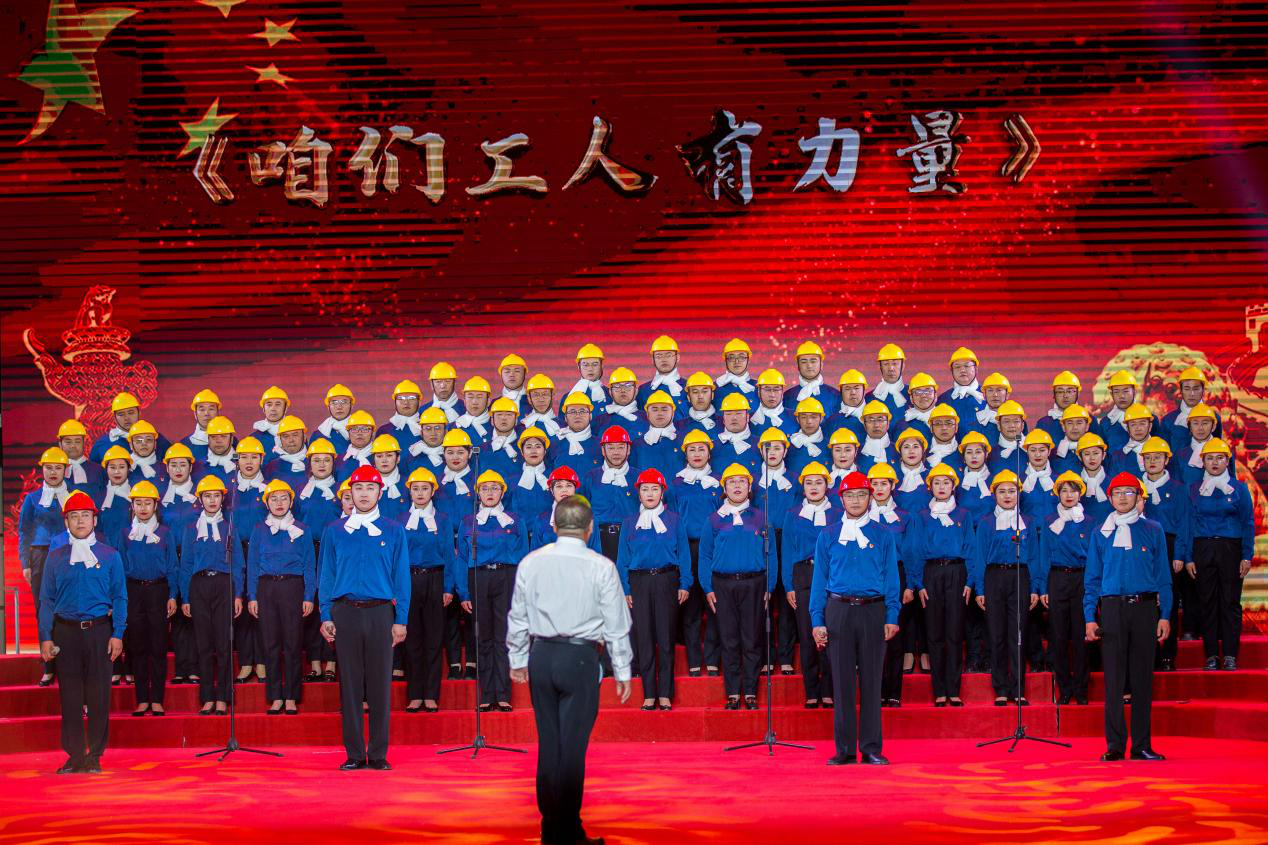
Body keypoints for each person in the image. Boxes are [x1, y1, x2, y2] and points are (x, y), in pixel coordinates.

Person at [507, 494, 633, 845]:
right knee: (572, 747)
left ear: (554, 525)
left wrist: (518, 659)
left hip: (542, 655)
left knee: (550, 744)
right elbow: (616, 623)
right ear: (590, 528)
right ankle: (568, 830)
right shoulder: (601, 566)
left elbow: (518, 616)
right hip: (580, 658)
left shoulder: (532, 562)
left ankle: (552, 829)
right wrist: (622, 668)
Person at [319, 465, 410, 771]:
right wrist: (325, 614)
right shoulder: (334, 531)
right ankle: (355, 753)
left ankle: (379, 753)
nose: (364, 494)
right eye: (358, 488)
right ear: (350, 493)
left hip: (381, 613)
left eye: (371, 488)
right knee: (350, 685)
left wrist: (401, 619)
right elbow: (326, 575)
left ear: (379, 493)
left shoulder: (394, 530)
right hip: (345, 612)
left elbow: (401, 578)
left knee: (381, 684)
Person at [811, 471, 900, 766]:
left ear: (870, 498)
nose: (856, 500)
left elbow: (891, 577)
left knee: (873, 681)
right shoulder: (827, 535)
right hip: (839, 610)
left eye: (862, 494)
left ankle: (871, 747)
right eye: (850, 495)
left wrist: (892, 614)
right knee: (842, 682)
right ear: (841, 500)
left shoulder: (883, 535)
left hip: (873, 610)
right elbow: (819, 580)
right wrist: (817, 620)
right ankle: (845, 748)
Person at [1084, 472, 1171, 761]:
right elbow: (1092, 578)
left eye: (1129, 492)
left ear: (1139, 497)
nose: (1123, 497)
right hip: (1112, 609)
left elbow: (1163, 576)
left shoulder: (1153, 529)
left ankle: (1142, 744)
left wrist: (1165, 615)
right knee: (1114, 679)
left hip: (1145, 608)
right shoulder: (1100, 532)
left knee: (1142, 678)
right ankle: (1115, 745)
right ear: (1110, 499)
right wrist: (1089, 616)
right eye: (1117, 493)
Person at [38, 490, 127, 774]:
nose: (80, 521)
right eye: (74, 516)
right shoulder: (55, 558)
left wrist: (118, 633)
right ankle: (75, 756)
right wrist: (45, 636)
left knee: (99, 695)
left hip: (99, 632)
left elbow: (120, 597)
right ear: (66, 522)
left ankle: (95, 755)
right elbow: (46, 600)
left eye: (85, 516)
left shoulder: (110, 556)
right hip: (65, 633)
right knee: (70, 696)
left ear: (94, 520)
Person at [699, 463, 777, 710]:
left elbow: (772, 555)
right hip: (723, 585)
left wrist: (770, 586)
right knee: (729, 639)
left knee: (751, 639)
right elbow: (705, 556)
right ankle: (733, 692)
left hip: (754, 583)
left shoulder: (762, 518)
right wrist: (708, 588)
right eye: (731, 482)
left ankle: (751, 692)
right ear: (724, 487)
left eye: (741, 481)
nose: (736, 486)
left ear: (749, 486)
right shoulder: (713, 520)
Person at [456, 469, 530, 711]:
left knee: (503, 636)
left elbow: (524, 557)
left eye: (494, 488)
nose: (489, 493)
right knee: (483, 636)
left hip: (506, 577)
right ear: (477, 493)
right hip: (478, 578)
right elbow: (461, 559)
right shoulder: (468, 522)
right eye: (484, 488)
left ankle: (503, 693)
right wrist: (463, 592)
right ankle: (486, 694)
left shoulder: (515, 520)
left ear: (502, 492)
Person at [618, 468, 691, 711]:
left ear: (662, 492)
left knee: (666, 638)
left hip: (666, 580)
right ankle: (649, 693)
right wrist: (626, 588)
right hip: (639, 582)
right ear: (638, 494)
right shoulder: (630, 523)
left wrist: (684, 583)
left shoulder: (675, 520)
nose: (650, 493)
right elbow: (623, 559)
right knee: (644, 638)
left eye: (655, 489)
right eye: (645, 489)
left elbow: (684, 554)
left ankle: (665, 693)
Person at [247, 479, 317, 715]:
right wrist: (252, 596)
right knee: (270, 644)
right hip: (266, 588)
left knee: (292, 644)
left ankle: (291, 696)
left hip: (292, 588)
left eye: (283, 498)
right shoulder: (259, 530)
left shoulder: (302, 529)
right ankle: (275, 695)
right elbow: (253, 564)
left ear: (291, 502)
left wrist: (309, 596)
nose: (279, 503)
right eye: (274, 499)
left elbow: (309, 566)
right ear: (267, 503)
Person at [907, 463, 974, 707]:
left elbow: (971, 548)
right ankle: (939, 690)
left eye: (946, 482)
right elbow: (914, 550)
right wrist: (919, 583)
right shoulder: (922, 517)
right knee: (934, 633)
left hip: (957, 572)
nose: (942, 487)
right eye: (937, 483)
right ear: (930, 487)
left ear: (954, 486)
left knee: (954, 632)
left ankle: (953, 689)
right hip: (931, 573)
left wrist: (970, 581)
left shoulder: (963, 515)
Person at [179, 474, 246, 716]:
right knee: (204, 643)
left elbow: (238, 563)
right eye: (207, 496)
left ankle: (224, 697)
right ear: (200, 499)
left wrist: (238, 594)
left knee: (223, 643)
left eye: (216, 496)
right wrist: (185, 597)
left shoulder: (229, 528)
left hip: (223, 584)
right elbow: (186, 564)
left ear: (222, 499)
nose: (212, 500)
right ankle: (207, 696)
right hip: (199, 586)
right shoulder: (191, 530)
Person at [972, 469, 1039, 706]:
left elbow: (1034, 557)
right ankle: (1000, 687)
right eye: (1002, 491)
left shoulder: (1028, 522)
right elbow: (979, 558)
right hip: (994, 577)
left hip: (1020, 576)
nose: (1008, 495)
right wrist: (980, 589)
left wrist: (1035, 587)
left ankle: (1018, 688)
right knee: (996, 633)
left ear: (1019, 494)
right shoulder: (986, 523)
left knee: (1017, 634)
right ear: (994, 494)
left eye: (1012, 491)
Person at [1187, 438, 1254, 671]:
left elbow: (1247, 523)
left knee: (1230, 602)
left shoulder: (1240, 489)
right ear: (1202, 461)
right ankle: (1212, 655)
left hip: (1230, 549)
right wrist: (1188, 557)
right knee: (1206, 602)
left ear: (1227, 461)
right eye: (1210, 458)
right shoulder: (1194, 489)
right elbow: (1188, 524)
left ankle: (1231, 655)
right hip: (1202, 548)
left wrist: (1246, 555)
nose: (1214, 462)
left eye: (1219, 458)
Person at [397, 467, 457, 713]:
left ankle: (431, 694)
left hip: (435, 579)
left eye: (425, 488)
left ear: (433, 491)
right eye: (416, 489)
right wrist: (396, 589)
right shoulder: (401, 520)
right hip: (409, 581)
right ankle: (414, 694)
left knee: (433, 639)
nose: (420, 493)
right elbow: (396, 557)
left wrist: (448, 587)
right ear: (409, 492)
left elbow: (449, 556)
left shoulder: (442, 520)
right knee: (412, 639)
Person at [116, 480, 178, 716]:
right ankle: (142, 699)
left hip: (158, 591)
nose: (143, 508)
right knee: (137, 646)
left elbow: (172, 567)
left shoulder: (165, 533)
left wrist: (172, 595)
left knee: (158, 646)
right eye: (138, 503)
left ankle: (157, 699)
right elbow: (119, 569)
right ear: (132, 506)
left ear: (155, 506)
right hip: (133, 592)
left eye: (147, 503)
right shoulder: (125, 534)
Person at [781, 460, 838, 708]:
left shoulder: (838, 513)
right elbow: (787, 551)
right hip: (803, 575)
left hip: (831, 576)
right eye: (809, 483)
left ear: (827, 486)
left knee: (831, 634)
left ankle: (829, 690)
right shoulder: (793, 514)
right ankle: (812, 690)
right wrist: (788, 585)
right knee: (807, 635)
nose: (814, 487)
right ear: (802, 487)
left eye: (819, 482)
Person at [670, 429, 723, 676]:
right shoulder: (676, 484)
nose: (697, 454)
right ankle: (693, 659)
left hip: (713, 548)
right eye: (692, 449)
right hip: (688, 548)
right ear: (686, 454)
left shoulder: (720, 482)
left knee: (714, 602)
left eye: (702, 449)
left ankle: (712, 658)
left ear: (709, 453)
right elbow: (671, 519)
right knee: (690, 605)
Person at [1037, 471, 1093, 704]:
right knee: (1058, 636)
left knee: (1081, 636)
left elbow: (1095, 558)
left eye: (1073, 490)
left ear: (1080, 494)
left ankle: (1081, 689)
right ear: (1058, 494)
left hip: (1081, 578)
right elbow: (1043, 556)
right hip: (1057, 578)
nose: (1069, 495)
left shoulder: (1089, 522)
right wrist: (1043, 588)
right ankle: (1064, 688)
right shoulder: (1049, 521)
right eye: (1064, 491)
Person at [1139, 437, 1194, 671]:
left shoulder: (1179, 488)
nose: (1152, 461)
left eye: (1157, 457)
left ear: (1166, 460)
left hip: (1170, 545)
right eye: (1148, 457)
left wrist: (1180, 554)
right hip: (1143, 546)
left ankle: (1168, 654)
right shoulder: (1135, 487)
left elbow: (1184, 524)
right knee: (1145, 600)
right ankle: (1148, 654)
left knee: (1167, 598)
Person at [20, 446, 72, 685]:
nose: (53, 472)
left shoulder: (73, 496)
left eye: (57, 468)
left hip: (69, 553)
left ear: (65, 470)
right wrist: (25, 563)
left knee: (69, 606)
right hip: (40, 556)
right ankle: (48, 665)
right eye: (48, 468)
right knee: (43, 609)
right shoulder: (32, 499)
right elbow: (24, 532)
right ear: (42, 470)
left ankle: (69, 663)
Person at [583, 425, 639, 561]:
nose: (616, 452)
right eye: (611, 448)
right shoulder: (591, 477)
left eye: (621, 447)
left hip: (630, 539)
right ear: (603, 450)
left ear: (628, 449)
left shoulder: (639, 477)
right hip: (597, 540)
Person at [1162, 366, 1223, 450]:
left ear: (1203, 390)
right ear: (1181, 390)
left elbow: (1217, 451)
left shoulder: (1215, 418)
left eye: (1196, 388)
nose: (1191, 394)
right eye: (1187, 389)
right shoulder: (1168, 421)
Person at [783, 341, 839, 416]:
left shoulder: (835, 396)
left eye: (813, 361)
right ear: (798, 366)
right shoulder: (787, 396)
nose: (809, 365)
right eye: (804, 362)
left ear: (821, 365)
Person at [553, 392, 602, 478]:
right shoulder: (555, 446)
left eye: (582, 411)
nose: (577, 415)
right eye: (572, 412)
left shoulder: (601, 446)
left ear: (590, 416)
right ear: (565, 417)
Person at [636, 391, 683, 478]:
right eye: (654, 410)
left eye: (664, 409)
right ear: (647, 413)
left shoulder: (684, 441)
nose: (660, 413)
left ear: (673, 412)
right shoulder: (637, 445)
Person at [638, 335, 688, 414]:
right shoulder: (643, 391)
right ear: (653, 359)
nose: (664, 359)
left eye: (668, 355)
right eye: (658, 356)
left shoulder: (689, 388)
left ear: (677, 357)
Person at [939, 347, 986, 426]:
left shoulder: (989, 396)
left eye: (967, 366)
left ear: (976, 369)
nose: (962, 370)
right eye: (957, 367)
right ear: (951, 371)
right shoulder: (943, 400)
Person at [57, 419, 104, 496]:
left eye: (77, 441)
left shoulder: (98, 471)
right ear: (60, 444)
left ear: (84, 443)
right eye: (68, 442)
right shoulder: (55, 471)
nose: (73, 446)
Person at [1037, 371, 1084, 444]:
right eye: (1060, 392)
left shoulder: (1089, 421)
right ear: (1053, 394)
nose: (1065, 396)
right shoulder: (1043, 423)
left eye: (1069, 391)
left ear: (1078, 393)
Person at [265, 415, 310, 490]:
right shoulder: (271, 467)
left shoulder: (315, 463)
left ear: (304, 437)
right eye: (286, 436)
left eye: (295, 435)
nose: (291, 440)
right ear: (280, 440)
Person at [379, 379, 423, 455]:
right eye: (401, 398)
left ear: (419, 402)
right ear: (395, 402)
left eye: (411, 398)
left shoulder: (428, 429)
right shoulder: (384, 431)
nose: (406, 402)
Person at [867, 343, 908, 420]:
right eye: (886, 364)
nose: (891, 368)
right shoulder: (870, 398)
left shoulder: (913, 394)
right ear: (880, 367)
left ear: (903, 366)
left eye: (895, 363)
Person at [182, 388, 223, 465]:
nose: (206, 413)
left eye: (211, 409)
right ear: (195, 414)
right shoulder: (184, 445)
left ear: (218, 412)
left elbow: (237, 461)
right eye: (202, 409)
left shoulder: (231, 442)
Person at [315, 383, 356, 455]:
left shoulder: (361, 431)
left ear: (351, 405)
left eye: (344, 402)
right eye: (334, 403)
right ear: (328, 407)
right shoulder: (319, 434)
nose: (339, 407)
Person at [715, 338, 756, 406]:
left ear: (748, 360)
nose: (737, 361)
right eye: (731, 358)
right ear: (725, 360)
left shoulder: (759, 387)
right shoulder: (714, 388)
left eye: (742, 357)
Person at [252, 386, 292, 457]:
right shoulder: (254, 439)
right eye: (269, 404)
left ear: (285, 408)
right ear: (263, 408)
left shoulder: (297, 435)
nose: (273, 409)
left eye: (278, 404)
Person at [200, 415, 238, 483]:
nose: (218, 441)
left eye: (223, 436)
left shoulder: (243, 462)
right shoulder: (199, 466)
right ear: (208, 439)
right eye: (213, 437)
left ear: (231, 439)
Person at [571, 342, 610, 407]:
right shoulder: (569, 397)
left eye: (595, 364)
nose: (590, 369)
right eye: (585, 365)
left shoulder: (611, 395)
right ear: (578, 367)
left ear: (602, 366)